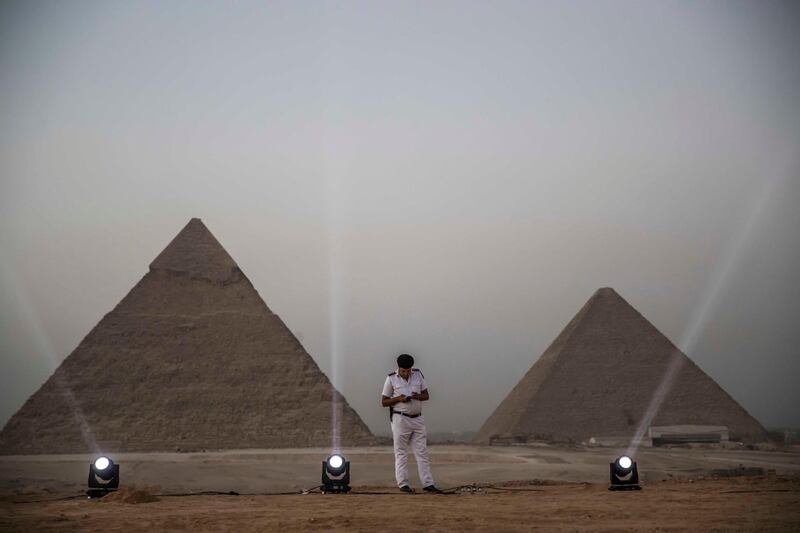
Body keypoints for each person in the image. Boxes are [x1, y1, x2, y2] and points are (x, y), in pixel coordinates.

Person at [380, 353, 442, 493]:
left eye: (408, 370)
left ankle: (428, 483)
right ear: (398, 368)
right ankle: (403, 484)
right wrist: (399, 399)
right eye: (403, 371)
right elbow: (384, 402)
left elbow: (426, 395)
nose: (406, 373)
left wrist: (416, 396)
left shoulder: (418, 375)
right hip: (401, 419)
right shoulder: (391, 379)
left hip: (418, 419)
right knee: (401, 452)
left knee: (422, 453)